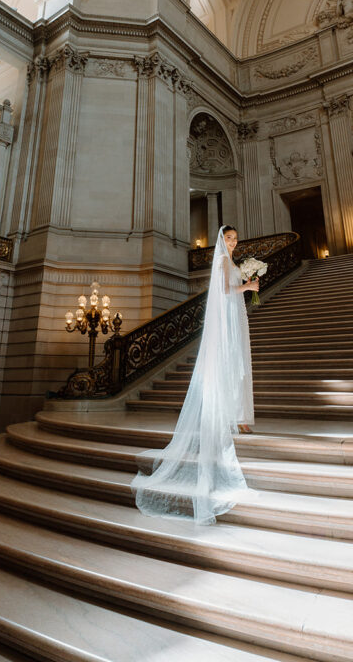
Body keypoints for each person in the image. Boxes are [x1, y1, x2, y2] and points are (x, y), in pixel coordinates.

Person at [131, 225, 259, 525]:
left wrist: (248, 283)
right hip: (227, 319)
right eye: (229, 238)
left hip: (236, 315)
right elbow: (225, 291)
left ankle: (239, 415)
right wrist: (248, 288)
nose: (233, 242)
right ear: (220, 240)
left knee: (239, 366)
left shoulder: (232, 262)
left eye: (236, 239)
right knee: (231, 365)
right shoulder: (222, 262)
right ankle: (230, 415)